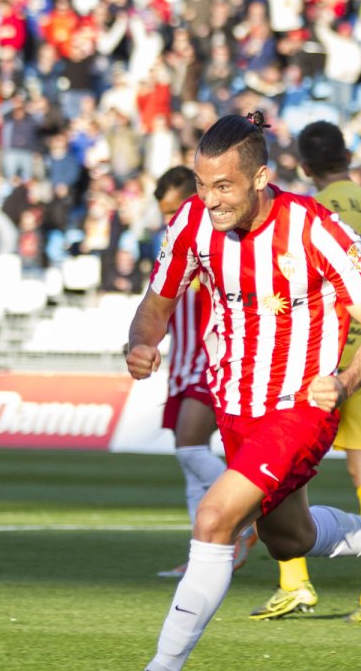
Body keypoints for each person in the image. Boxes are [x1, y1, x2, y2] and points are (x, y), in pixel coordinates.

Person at [127, 112, 361, 671]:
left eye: (223, 186)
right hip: (236, 404)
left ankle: (162, 665)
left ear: (261, 178)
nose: (210, 199)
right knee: (288, 539)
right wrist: (143, 342)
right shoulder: (193, 224)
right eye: (202, 184)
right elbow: (158, 300)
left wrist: (344, 382)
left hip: (302, 403)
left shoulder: (315, 228)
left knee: (214, 519)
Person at [249, 121, 361, 627]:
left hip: (318, 358)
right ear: (346, 157)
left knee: (282, 467)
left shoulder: (307, 212)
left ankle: (294, 584)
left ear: (303, 165)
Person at [150, 165, 255, 579]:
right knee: (189, 463)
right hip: (183, 361)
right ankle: (205, 555)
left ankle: (251, 511)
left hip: (214, 360)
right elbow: (161, 302)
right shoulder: (174, 242)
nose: (169, 219)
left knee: (190, 445)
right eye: (163, 212)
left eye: (175, 209)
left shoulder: (219, 237)